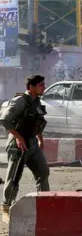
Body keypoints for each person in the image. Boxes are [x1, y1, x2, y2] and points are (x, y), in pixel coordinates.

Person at [1, 75, 49, 223]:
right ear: (31, 87)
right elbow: (5, 120)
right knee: (14, 177)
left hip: (32, 143)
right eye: (41, 85)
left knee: (43, 172)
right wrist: (19, 137)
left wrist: (40, 140)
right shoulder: (20, 101)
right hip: (19, 144)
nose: (44, 87)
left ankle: (44, 206)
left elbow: (37, 123)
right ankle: (6, 208)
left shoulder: (36, 102)